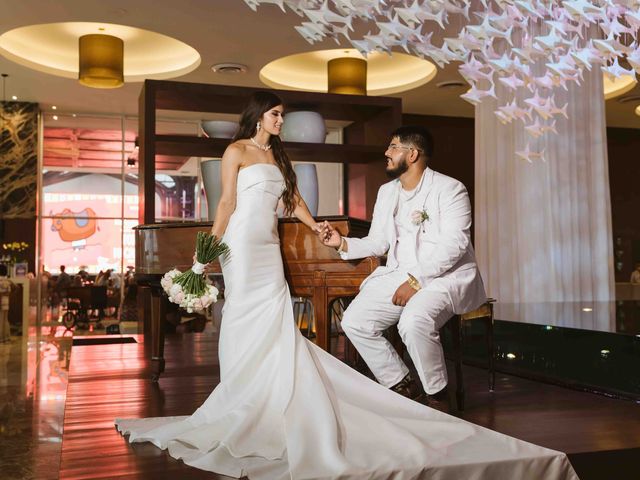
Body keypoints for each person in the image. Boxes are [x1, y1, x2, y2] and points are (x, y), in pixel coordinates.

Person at [115, 94, 578, 480]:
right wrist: (206, 253)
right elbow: (229, 202)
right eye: (276, 114)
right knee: (252, 314)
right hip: (239, 240)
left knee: (281, 315)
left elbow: (290, 198)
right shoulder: (237, 151)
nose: (281, 120)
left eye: (282, 115)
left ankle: (428, 396)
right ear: (260, 117)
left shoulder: (445, 189)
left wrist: (318, 227)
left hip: (275, 246)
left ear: (411, 153)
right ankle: (247, 393)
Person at [320, 126, 485, 410]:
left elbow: (455, 245)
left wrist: (416, 281)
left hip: (444, 277)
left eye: (393, 147)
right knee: (354, 321)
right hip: (399, 273)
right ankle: (403, 387)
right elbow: (378, 241)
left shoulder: (450, 189)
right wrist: (341, 243)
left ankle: (438, 397)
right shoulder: (387, 192)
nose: (386, 152)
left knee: (413, 321)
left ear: (412, 154)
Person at [0, 264, 13, 342]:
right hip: (6, 302)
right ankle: (6, 337)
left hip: (0, 301)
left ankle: (1, 338)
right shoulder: (7, 281)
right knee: (5, 320)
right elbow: (10, 291)